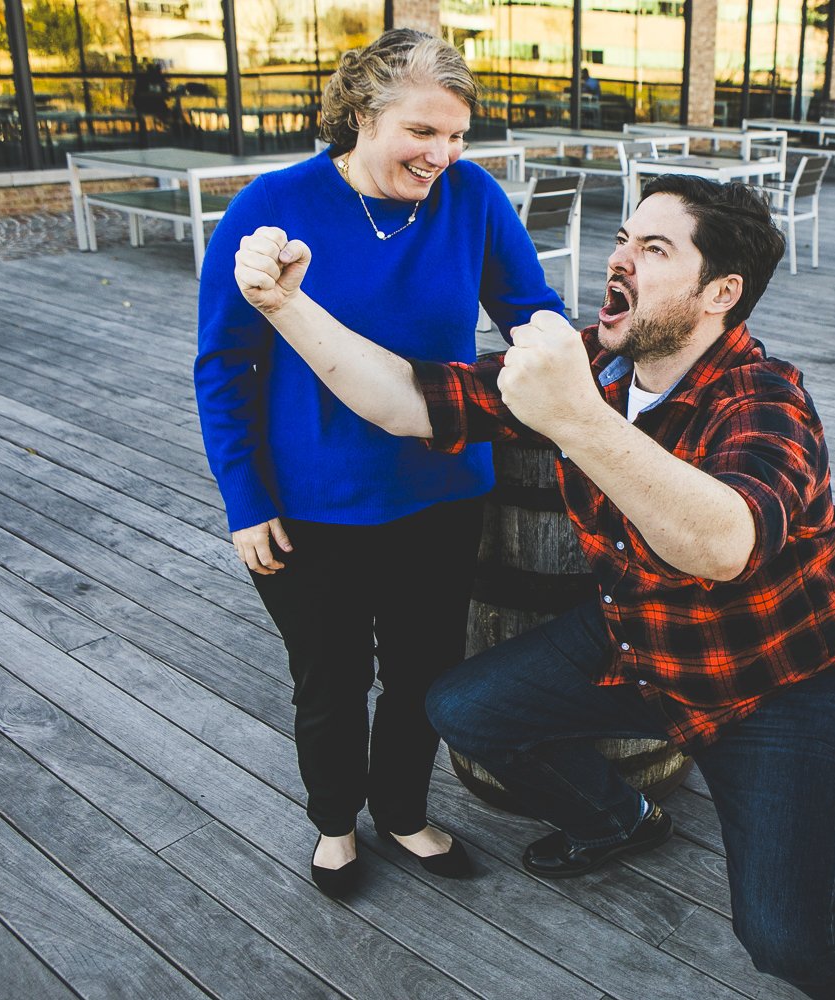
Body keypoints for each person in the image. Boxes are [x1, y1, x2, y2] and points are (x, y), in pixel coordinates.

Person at [231, 175, 835, 997]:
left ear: (719, 292)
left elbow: (725, 543)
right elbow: (409, 402)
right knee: (462, 708)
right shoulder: (596, 363)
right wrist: (284, 307)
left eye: (654, 249)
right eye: (624, 237)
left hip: (782, 682)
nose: (619, 258)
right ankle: (622, 819)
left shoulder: (765, 398)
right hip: (645, 640)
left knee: (789, 938)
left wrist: (577, 419)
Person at [195, 28, 563, 897]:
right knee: (329, 680)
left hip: (441, 493)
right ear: (360, 115)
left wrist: (624, 361)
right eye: (423, 133)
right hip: (311, 504)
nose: (444, 155)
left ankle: (401, 811)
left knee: (422, 675)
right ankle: (334, 822)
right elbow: (223, 366)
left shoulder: (472, 198)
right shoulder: (271, 205)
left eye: (458, 136)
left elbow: (534, 313)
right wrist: (244, 502)